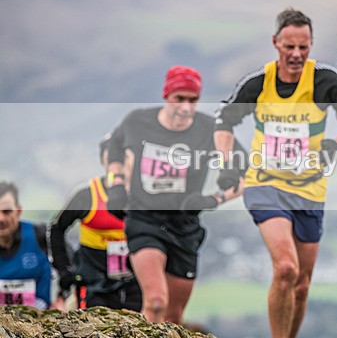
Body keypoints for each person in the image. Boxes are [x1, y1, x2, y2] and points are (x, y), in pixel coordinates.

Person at [215, 8, 337, 338]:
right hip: (264, 184)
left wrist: (335, 147)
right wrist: (227, 163)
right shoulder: (258, 83)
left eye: (304, 47)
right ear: (276, 43)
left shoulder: (325, 81)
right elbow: (223, 120)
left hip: (309, 190)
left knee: (301, 285)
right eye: (289, 47)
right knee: (286, 268)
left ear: (311, 45)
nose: (296, 54)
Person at [104, 66, 243, 324]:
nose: (186, 106)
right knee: (156, 302)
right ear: (166, 95)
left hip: (184, 227)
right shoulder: (138, 121)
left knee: (174, 316)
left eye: (193, 100)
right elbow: (112, 147)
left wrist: (213, 199)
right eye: (180, 98)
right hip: (144, 219)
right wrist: (115, 185)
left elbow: (247, 172)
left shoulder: (209, 129)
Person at [48, 139, 142, 312]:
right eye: (112, 158)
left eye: (124, 158)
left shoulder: (143, 196)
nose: (118, 164)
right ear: (103, 161)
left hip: (136, 282)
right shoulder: (87, 195)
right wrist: (63, 269)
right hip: (94, 282)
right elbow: (56, 227)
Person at [0, 181, 52, 310]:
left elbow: (73, 265)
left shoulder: (41, 235)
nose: (1, 218)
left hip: (41, 318)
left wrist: (62, 297)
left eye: (7, 211)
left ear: (18, 211)